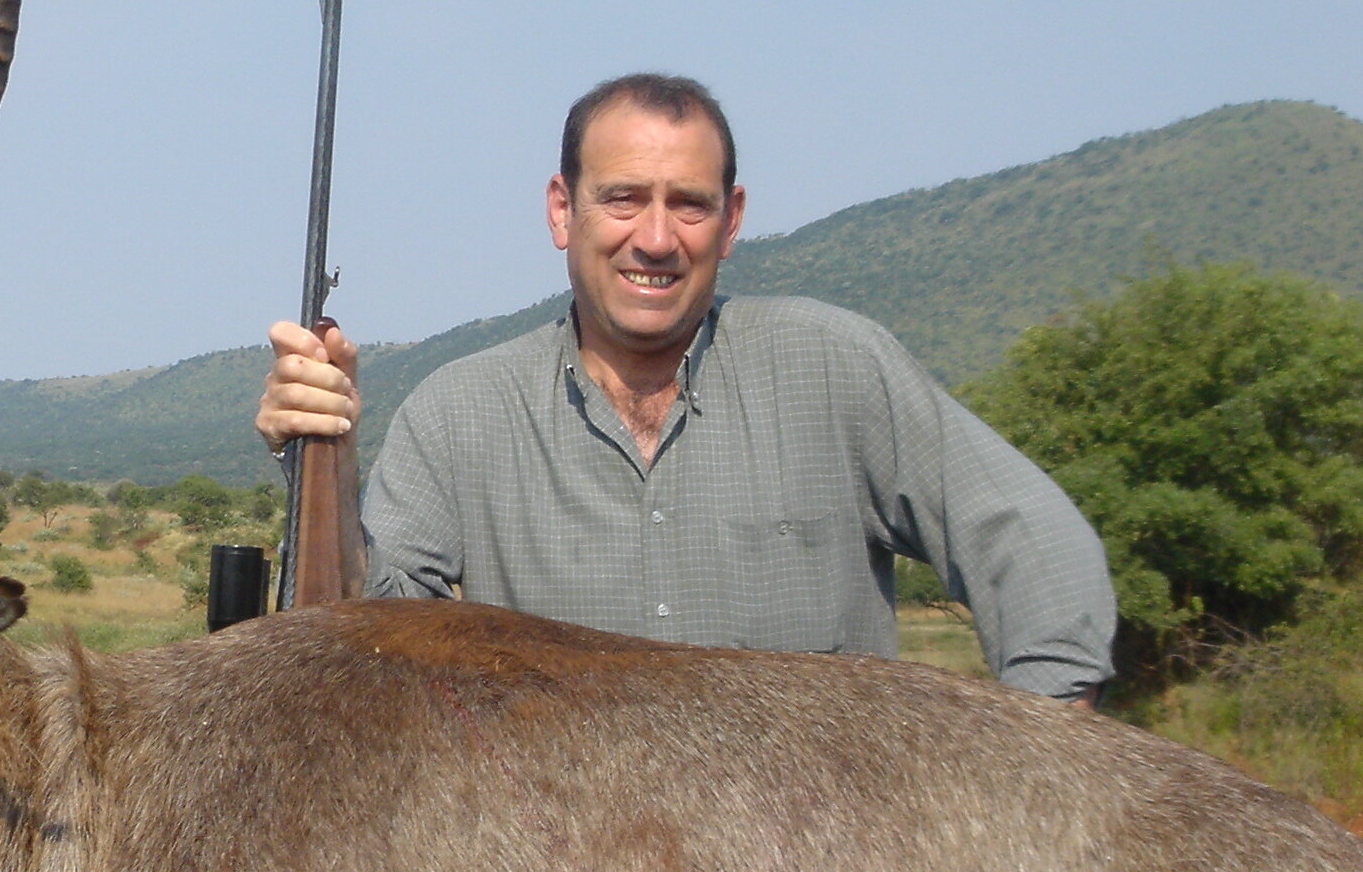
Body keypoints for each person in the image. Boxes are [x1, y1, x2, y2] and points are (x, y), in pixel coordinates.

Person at [254, 72, 1115, 703]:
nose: (656, 238)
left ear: (732, 220)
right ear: (564, 210)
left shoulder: (837, 368)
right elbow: (359, 646)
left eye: (690, 205)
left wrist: (1036, 774)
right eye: (623, 198)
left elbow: (1037, 553)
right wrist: (322, 456)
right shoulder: (459, 413)